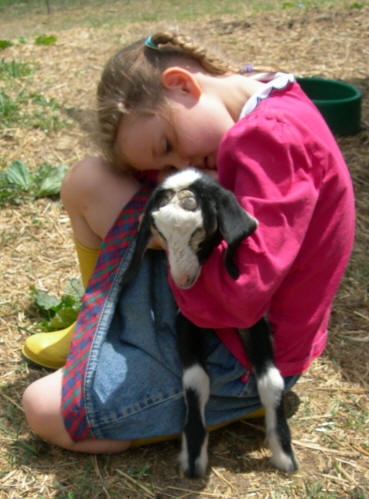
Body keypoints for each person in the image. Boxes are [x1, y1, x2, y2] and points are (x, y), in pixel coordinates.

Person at [21, 30, 355, 454]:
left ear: (181, 83)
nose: (182, 167)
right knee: (90, 180)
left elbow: (243, 290)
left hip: (239, 353)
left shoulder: (272, 138)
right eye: (166, 164)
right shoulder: (260, 96)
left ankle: (234, 404)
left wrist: (174, 236)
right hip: (214, 305)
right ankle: (96, 328)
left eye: (168, 146)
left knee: (46, 411)